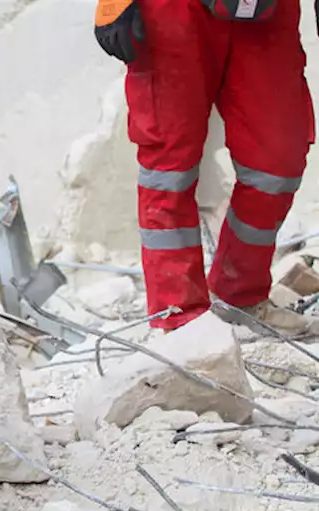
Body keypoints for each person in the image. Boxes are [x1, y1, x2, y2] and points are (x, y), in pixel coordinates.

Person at [94, 0, 318, 335]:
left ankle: (239, 296)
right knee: (169, 169)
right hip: (173, 12)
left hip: (266, 10)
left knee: (278, 160)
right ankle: (180, 322)